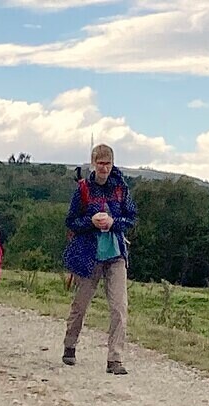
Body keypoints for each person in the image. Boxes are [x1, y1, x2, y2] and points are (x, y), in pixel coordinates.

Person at [62, 143, 137, 375]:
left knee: (119, 307)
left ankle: (115, 358)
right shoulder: (83, 189)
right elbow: (71, 221)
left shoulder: (121, 188)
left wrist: (114, 223)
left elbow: (132, 218)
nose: (104, 168)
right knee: (80, 305)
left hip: (115, 254)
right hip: (89, 254)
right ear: (93, 163)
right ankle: (70, 345)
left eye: (108, 163)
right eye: (100, 163)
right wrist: (91, 222)